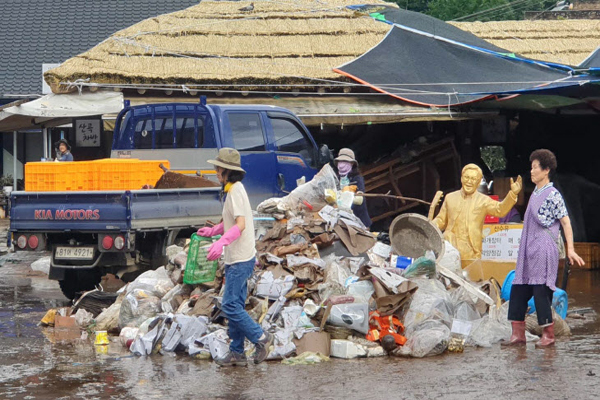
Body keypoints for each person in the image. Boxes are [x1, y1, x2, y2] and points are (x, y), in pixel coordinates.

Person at [196, 147, 273, 366]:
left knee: (229, 305)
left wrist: (221, 242)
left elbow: (240, 225)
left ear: (227, 171)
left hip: (240, 259)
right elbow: (230, 221)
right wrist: (213, 231)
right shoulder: (232, 191)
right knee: (236, 303)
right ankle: (237, 352)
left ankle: (261, 337)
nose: (215, 172)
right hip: (236, 257)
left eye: (217, 169)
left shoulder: (236, 190)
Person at [504, 149, 584, 348]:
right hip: (527, 249)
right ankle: (518, 335)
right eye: (531, 167)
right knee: (518, 288)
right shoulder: (535, 193)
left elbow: (565, 223)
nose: (531, 172)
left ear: (546, 170)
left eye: (535, 168)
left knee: (540, 291)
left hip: (543, 248)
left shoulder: (553, 195)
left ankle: (548, 336)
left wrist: (570, 249)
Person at [433, 164, 522, 261]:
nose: (469, 182)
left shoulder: (483, 200)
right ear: (461, 178)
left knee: (470, 275)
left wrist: (512, 194)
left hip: (471, 250)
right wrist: (429, 225)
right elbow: (441, 220)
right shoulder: (450, 198)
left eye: (473, 179)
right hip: (450, 246)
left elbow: (499, 210)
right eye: (467, 177)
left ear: (479, 182)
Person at [334, 148, 372, 228]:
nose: (342, 164)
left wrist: (345, 197)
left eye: (345, 161)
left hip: (359, 220)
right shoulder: (336, 179)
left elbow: (360, 199)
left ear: (352, 164)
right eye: (340, 161)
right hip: (344, 221)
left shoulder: (357, 178)